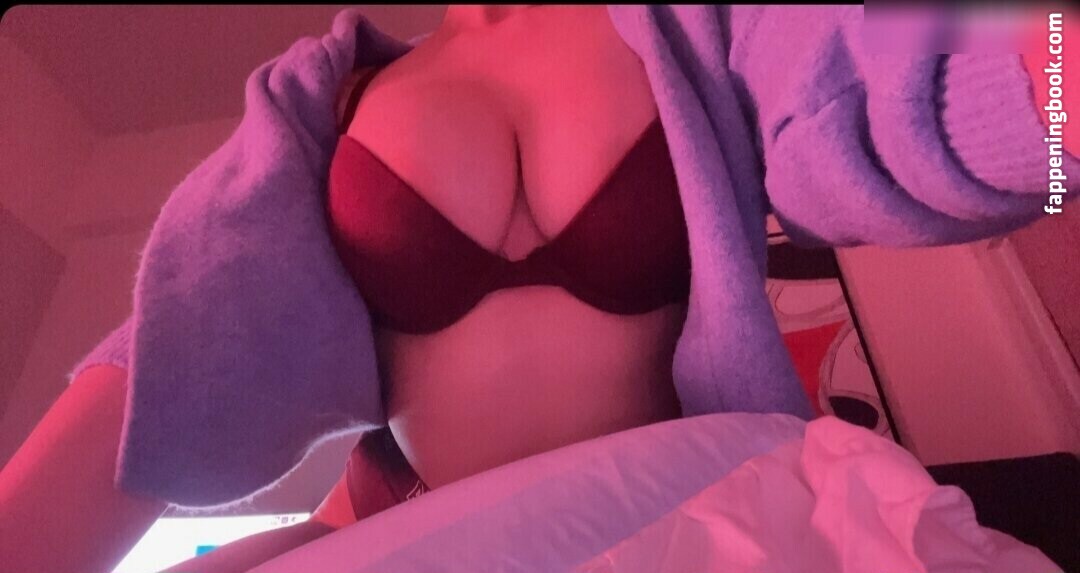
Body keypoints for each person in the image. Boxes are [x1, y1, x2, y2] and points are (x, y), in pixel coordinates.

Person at [1, 5, 1075, 572]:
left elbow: (900, 79)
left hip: (694, 517)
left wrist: (1056, 81)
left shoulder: (701, 21)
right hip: (401, 532)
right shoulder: (316, 98)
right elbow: (181, 358)